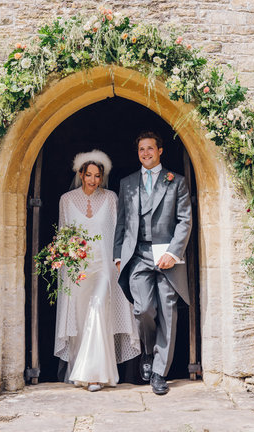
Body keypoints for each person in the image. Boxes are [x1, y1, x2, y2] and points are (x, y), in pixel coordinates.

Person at [113, 131, 192, 395]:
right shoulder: (127, 182)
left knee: (169, 312)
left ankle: (160, 372)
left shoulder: (176, 182)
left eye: (150, 149)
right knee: (144, 309)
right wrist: (117, 253)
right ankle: (148, 352)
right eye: (141, 150)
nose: (145, 153)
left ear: (160, 151)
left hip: (167, 255)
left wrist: (174, 251)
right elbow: (122, 222)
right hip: (138, 254)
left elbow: (184, 220)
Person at [54, 150, 140, 391]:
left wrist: (120, 261)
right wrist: (64, 261)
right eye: (88, 174)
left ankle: (96, 375)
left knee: (98, 312)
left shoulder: (111, 198)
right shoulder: (67, 200)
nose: (93, 180)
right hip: (78, 272)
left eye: (97, 176)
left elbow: (118, 233)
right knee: (80, 321)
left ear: (103, 177)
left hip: (104, 269)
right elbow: (63, 236)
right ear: (80, 174)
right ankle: (81, 372)